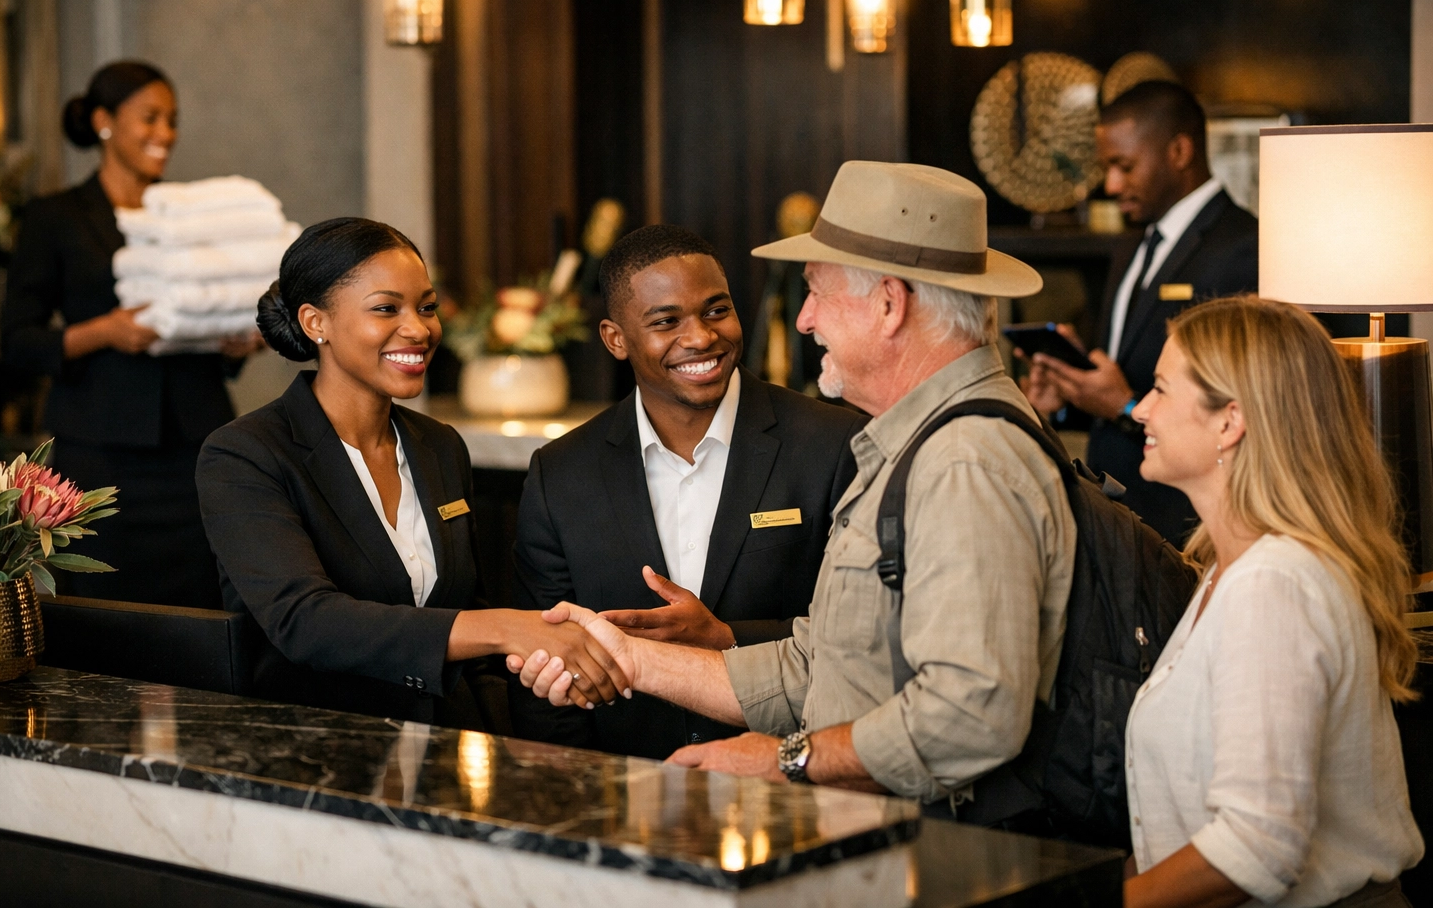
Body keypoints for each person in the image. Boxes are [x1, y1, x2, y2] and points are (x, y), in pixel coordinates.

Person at [509, 161, 1076, 806]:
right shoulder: (916, 444)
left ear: (889, 304)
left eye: (818, 292)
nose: (803, 320)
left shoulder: (963, 461)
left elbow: (970, 716)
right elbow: (830, 661)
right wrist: (630, 660)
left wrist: (790, 761)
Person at [195, 218, 628, 725]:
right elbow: (305, 622)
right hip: (316, 757)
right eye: (386, 309)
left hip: (444, 756)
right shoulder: (245, 453)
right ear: (316, 323)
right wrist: (507, 626)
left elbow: (473, 632)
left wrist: (512, 738)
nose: (420, 329)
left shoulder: (439, 447)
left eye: (426, 307)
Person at [510, 225, 864, 758]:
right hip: (625, 792)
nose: (700, 337)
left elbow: (863, 635)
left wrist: (728, 637)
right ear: (615, 338)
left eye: (716, 310)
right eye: (666, 321)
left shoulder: (833, 443)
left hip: (786, 779)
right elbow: (545, 663)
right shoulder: (561, 473)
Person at [1119, 296, 1421, 908]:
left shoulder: (1274, 583)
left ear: (1230, 421)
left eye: (1159, 389)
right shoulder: (1228, 571)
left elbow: (1257, 845)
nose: (1140, 409)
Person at [1, 61, 260, 608]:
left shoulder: (188, 214)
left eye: (172, 120)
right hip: (98, 452)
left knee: (203, 602)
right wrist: (105, 332)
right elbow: (17, 341)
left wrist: (233, 341)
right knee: (107, 607)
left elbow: (205, 310)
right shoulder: (56, 216)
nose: (165, 134)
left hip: (197, 443)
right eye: (150, 118)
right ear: (104, 121)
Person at [1021, 80, 1258, 545]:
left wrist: (1127, 407)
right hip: (1114, 511)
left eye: (1123, 166)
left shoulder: (1244, 247)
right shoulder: (1131, 242)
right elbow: (1117, 375)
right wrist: (1069, 397)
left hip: (1187, 522)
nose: (1111, 185)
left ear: (1180, 151)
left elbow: (1243, 407)